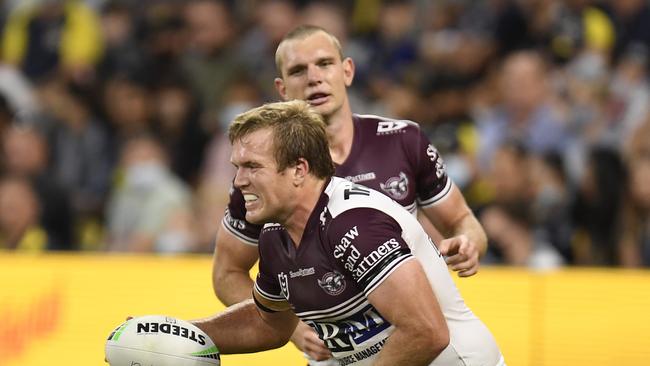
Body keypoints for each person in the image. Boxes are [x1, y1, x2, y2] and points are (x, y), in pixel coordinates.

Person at [212, 25, 488, 363]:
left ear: (347, 71)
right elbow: (231, 278)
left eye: (324, 63)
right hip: (343, 346)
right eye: (299, 70)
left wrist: (468, 241)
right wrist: (296, 331)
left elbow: (461, 221)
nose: (313, 78)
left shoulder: (400, 140)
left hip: (421, 341)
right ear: (281, 89)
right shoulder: (262, 186)